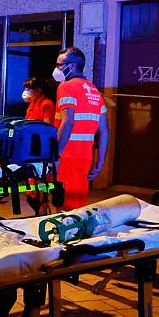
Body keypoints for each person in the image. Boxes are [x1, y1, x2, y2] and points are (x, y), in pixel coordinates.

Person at [53, 48, 108, 211]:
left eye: (59, 65)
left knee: (64, 209)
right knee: (77, 207)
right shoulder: (95, 91)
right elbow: (104, 130)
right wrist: (100, 161)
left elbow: (67, 122)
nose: (56, 69)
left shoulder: (66, 87)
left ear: (72, 66)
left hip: (66, 157)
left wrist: (55, 154)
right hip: (84, 158)